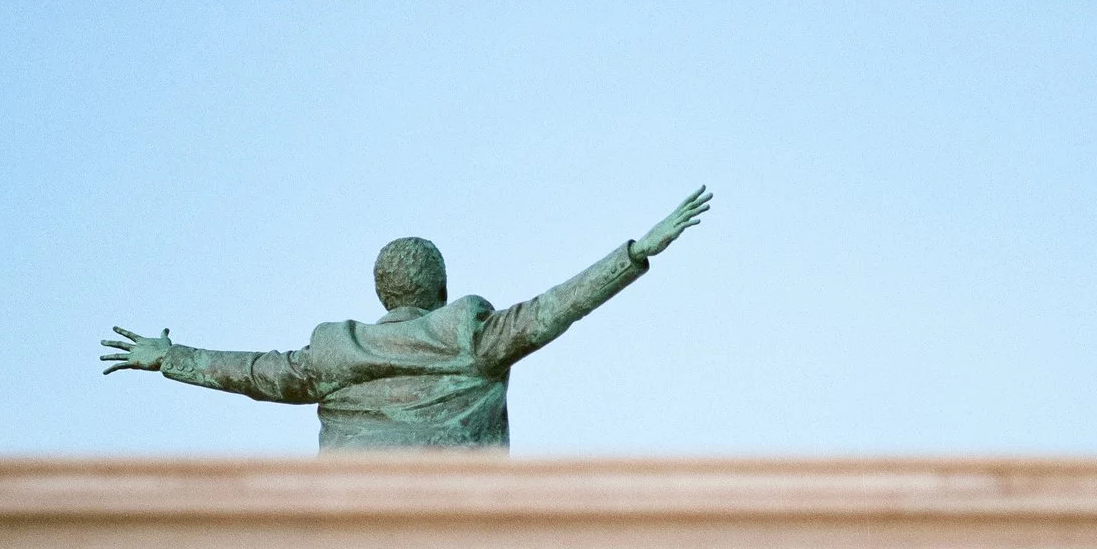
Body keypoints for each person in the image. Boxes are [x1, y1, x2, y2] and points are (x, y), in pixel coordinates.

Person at [100, 187, 710, 450]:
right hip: (459, 520)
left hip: (351, 521)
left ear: (381, 292)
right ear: (441, 290)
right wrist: (635, 253)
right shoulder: (473, 338)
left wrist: (171, 359)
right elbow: (559, 305)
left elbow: (255, 373)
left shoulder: (331, 357)